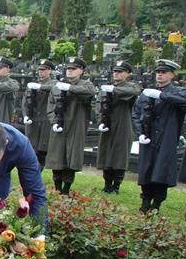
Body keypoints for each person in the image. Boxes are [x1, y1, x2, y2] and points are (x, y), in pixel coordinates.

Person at [132, 59, 186, 213]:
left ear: (172, 75)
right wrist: (140, 133)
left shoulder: (178, 92)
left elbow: (185, 101)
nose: (160, 75)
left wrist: (162, 96)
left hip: (166, 139)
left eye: (164, 72)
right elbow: (136, 114)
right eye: (158, 72)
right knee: (146, 170)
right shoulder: (147, 93)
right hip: (149, 138)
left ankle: (156, 204)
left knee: (161, 172)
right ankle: (145, 201)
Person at [45, 56, 97, 195]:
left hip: (75, 126)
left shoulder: (86, 85)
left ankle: (66, 188)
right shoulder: (57, 87)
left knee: (71, 158)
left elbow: (90, 92)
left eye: (73, 69)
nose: (70, 71)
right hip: (59, 126)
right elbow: (50, 106)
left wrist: (71, 88)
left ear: (81, 71)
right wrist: (53, 121)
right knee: (57, 156)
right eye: (68, 69)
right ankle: (57, 187)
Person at [96, 60, 141, 193]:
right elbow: (99, 105)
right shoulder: (107, 88)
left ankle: (116, 186)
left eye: (120, 72)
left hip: (123, 125)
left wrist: (115, 90)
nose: (116, 74)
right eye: (115, 71)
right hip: (107, 124)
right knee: (106, 154)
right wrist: (101, 121)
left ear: (128, 73)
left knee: (119, 156)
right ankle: (107, 184)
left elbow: (135, 91)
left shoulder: (130, 87)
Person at [23, 59, 57, 168]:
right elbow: (25, 101)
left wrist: (40, 87)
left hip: (45, 121)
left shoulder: (54, 83)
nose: (41, 72)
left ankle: (37, 175)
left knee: (42, 150)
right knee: (31, 149)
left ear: (50, 71)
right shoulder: (34, 84)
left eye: (44, 70)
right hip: (33, 121)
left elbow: (54, 88)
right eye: (40, 70)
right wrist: (25, 115)